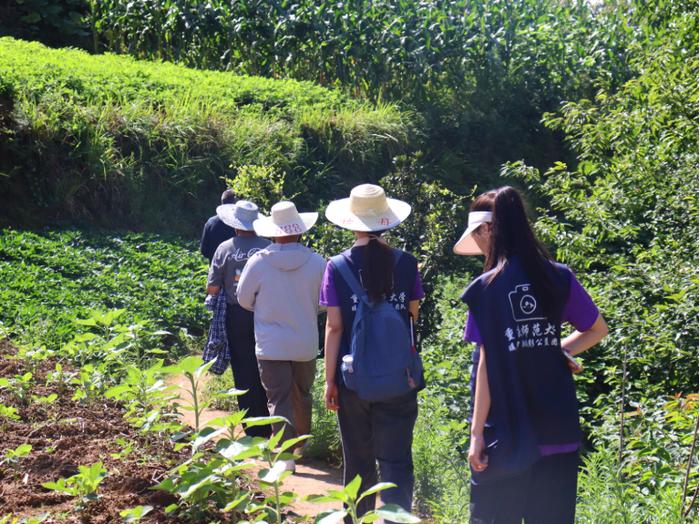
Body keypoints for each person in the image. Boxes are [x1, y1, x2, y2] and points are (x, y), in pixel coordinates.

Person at [455, 186, 608, 524]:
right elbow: (597, 329)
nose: (478, 247)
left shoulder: (487, 289)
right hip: (558, 429)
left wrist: (477, 434)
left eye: (477, 237)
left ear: (487, 229)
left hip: (506, 436)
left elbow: (486, 367)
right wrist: (556, 350)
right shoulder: (558, 277)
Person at [320, 184, 425, 521]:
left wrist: (329, 381)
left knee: (359, 460)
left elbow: (334, 327)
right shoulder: (407, 264)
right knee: (396, 462)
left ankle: (356, 519)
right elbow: (412, 314)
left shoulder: (337, 266)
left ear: (352, 223)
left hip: (353, 381)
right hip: (399, 377)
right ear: (386, 221)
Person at [236, 201, 326, 472]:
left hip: (271, 343)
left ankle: (285, 456)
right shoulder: (317, 262)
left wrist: (263, 309)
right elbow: (324, 302)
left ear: (273, 232)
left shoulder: (259, 262)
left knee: (278, 398)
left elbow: (243, 299)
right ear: (299, 231)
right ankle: (302, 444)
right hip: (305, 343)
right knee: (302, 393)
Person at [206, 200, 271, 438]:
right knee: (265, 366)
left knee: (242, 369)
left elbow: (212, 288)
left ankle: (251, 427)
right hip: (265, 314)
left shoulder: (224, 249)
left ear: (235, 225)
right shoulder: (268, 246)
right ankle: (269, 421)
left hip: (236, 317)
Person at [200, 189, 237, 262]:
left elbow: (204, 251)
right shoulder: (240, 224)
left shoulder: (211, 222)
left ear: (222, 202)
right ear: (235, 202)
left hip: (215, 268)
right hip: (236, 269)